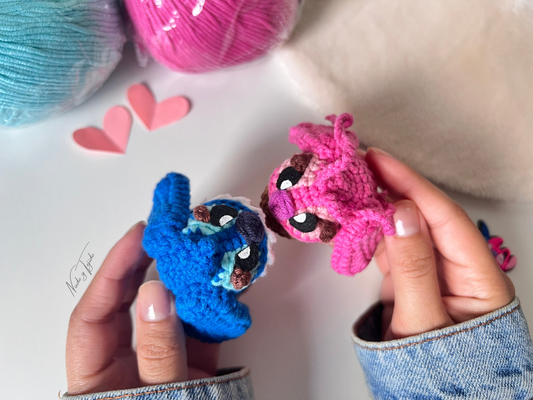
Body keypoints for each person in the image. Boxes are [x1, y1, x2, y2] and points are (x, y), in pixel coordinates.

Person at [63, 149, 533, 399]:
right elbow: (172, 202)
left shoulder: (177, 246)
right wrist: (472, 377)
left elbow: (171, 195)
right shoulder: (183, 262)